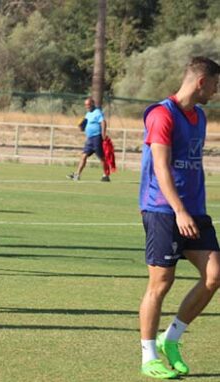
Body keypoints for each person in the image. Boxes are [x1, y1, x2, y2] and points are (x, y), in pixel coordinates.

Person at [138, 56, 220, 379]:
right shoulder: (161, 115)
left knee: (214, 275)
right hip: (162, 210)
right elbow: (161, 167)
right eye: (215, 85)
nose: (216, 92)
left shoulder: (198, 117)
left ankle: (170, 339)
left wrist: (191, 209)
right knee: (161, 283)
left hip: (195, 213)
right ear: (201, 82)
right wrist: (179, 210)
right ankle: (148, 357)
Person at [67, 97, 110, 182]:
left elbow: (103, 122)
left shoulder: (97, 112)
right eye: (86, 105)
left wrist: (103, 134)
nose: (87, 106)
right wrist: (80, 126)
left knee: (102, 158)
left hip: (97, 138)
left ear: (92, 104)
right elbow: (83, 127)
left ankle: (106, 175)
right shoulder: (88, 114)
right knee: (83, 156)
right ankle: (77, 175)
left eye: (89, 104)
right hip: (90, 139)